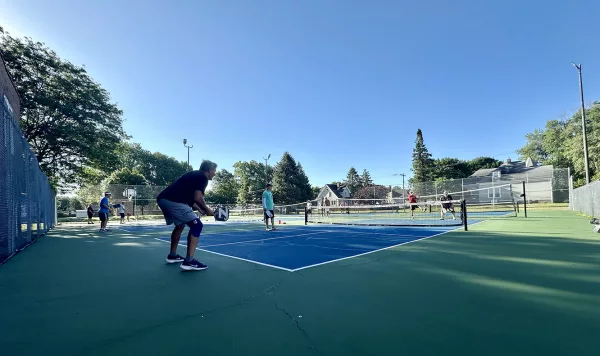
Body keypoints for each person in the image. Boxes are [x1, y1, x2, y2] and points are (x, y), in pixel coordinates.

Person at [156, 160, 217, 271]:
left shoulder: (194, 175)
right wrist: (208, 210)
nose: (215, 173)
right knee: (196, 225)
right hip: (173, 201)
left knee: (180, 226)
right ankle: (189, 261)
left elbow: (191, 199)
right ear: (209, 170)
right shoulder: (202, 177)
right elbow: (198, 198)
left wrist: (200, 209)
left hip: (163, 199)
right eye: (214, 170)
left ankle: (172, 255)